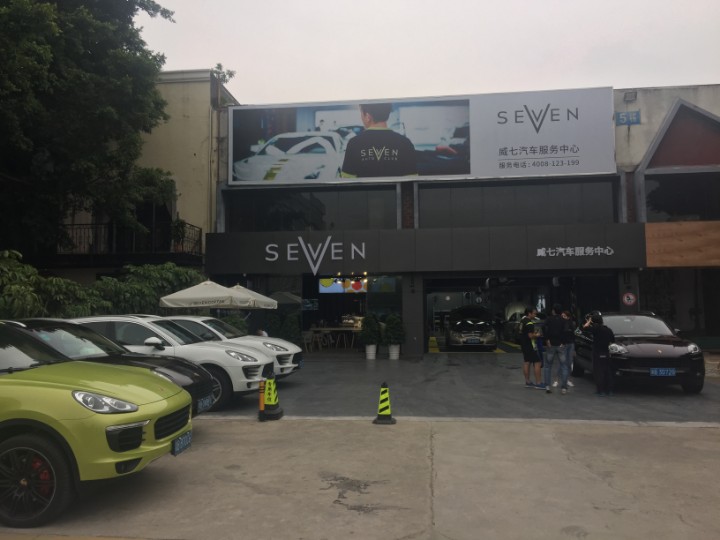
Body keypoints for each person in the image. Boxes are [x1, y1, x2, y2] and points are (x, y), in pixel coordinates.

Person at [340, 103, 418, 178]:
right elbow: (411, 182)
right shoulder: (405, 143)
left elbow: (347, 182)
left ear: (367, 116)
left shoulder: (354, 144)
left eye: (361, 113)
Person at [583, 312, 616, 396]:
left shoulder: (595, 329)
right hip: (606, 352)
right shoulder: (608, 329)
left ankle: (601, 391)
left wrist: (589, 321)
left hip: (597, 352)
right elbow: (612, 341)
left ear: (594, 321)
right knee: (607, 371)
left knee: (599, 372)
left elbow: (585, 327)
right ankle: (609, 390)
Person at [543, 304, 567, 394]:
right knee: (564, 366)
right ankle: (564, 388)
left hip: (551, 345)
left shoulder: (549, 319)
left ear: (553, 311)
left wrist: (547, 339)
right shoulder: (563, 320)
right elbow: (566, 331)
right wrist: (563, 342)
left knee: (547, 366)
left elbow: (543, 327)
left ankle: (547, 387)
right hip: (560, 345)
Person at [520, 307, 544, 389]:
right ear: (529, 313)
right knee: (537, 362)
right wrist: (537, 335)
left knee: (527, 362)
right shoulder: (529, 323)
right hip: (530, 345)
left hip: (523, 345)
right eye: (534, 313)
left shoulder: (522, 321)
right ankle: (538, 383)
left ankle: (528, 382)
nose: (535, 315)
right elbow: (530, 336)